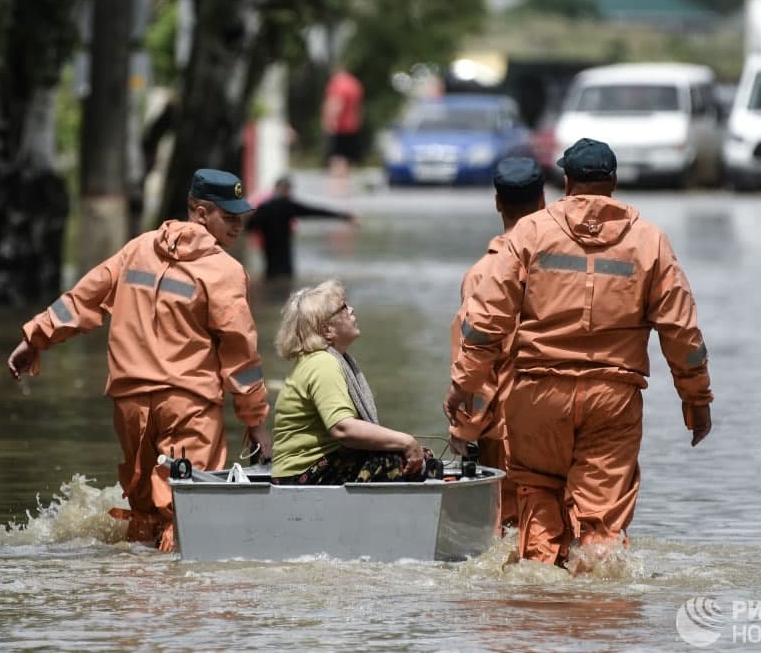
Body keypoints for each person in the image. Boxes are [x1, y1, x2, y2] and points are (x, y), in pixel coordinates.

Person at [444, 138, 713, 572]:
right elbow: (683, 331)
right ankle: (598, 618)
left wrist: (464, 384)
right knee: (602, 525)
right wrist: (696, 400)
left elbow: (485, 320)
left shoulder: (531, 233)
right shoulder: (650, 241)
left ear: (565, 182)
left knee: (537, 503)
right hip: (612, 398)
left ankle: (539, 609)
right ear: (615, 182)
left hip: (536, 395)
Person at [6, 168, 272, 552]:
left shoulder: (138, 249)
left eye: (240, 216)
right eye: (228, 216)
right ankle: (181, 606)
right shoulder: (225, 271)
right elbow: (241, 353)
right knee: (188, 512)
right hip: (188, 407)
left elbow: (84, 298)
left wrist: (36, 337)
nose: (238, 225)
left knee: (145, 510)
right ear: (199, 213)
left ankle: (136, 602)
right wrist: (256, 420)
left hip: (130, 405)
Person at [449, 157, 547, 529]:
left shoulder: (481, 275)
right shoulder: (564, 268)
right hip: (560, 419)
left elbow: (476, 361)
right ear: (543, 201)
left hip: (505, 430)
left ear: (497, 202)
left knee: (510, 532)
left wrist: (465, 429)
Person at [271, 278, 425, 485]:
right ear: (327, 330)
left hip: (314, 468)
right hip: (301, 475)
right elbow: (343, 428)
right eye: (343, 308)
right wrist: (406, 440)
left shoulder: (324, 360)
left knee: (417, 456)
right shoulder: (322, 364)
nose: (351, 309)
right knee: (397, 462)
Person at [244, 175, 357, 281]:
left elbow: (249, 227)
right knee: (286, 279)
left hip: (269, 252)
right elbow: (315, 211)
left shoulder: (264, 207)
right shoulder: (288, 205)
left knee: (271, 276)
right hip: (285, 256)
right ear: (287, 190)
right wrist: (344, 216)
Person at [321, 63, 364, 184]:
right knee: (348, 160)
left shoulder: (338, 83)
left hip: (340, 127)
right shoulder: (355, 84)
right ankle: (346, 190)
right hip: (353, 126)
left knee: (337, 160)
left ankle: (337, 191)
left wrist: (330, 120)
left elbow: (335, 102)